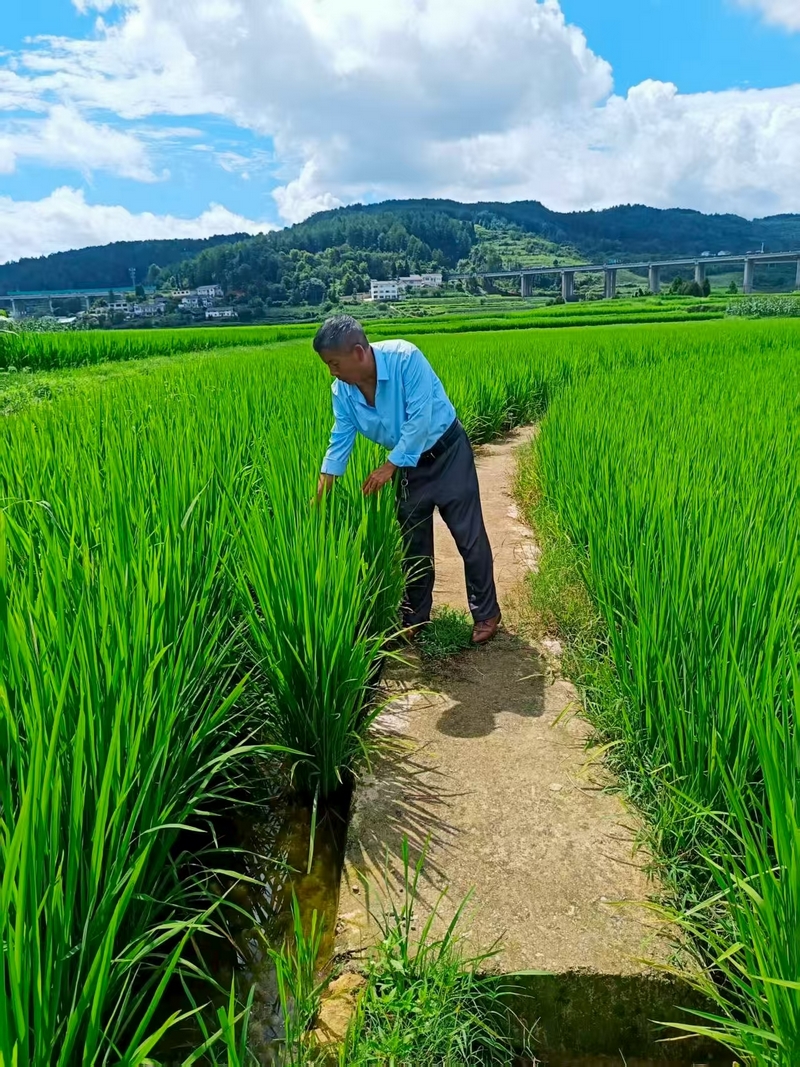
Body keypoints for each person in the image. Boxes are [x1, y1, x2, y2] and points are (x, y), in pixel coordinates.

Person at [314, 315, 501, 645]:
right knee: (413, 545)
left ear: (358, 352)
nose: (332, 371)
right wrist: (323, 489)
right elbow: (340, 437)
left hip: (447, 454)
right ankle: (416, 616)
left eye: (334, 363)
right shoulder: (342, 391)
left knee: (468, 537)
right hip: (408, 469)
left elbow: (420, 420)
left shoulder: (405, 359)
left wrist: (388, 467)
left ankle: (486, 613)